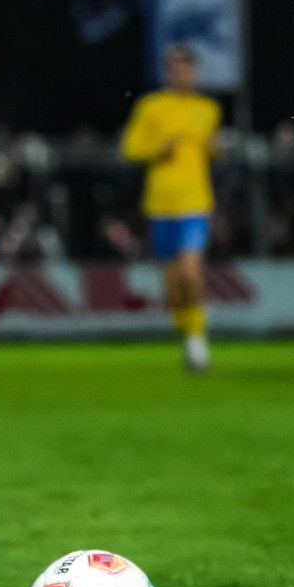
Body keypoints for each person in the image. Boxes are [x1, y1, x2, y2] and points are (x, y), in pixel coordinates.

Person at [119, 45, 222, 371]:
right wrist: (158, 148)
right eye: (176, 68)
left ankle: (197, 339)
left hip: (195, 202)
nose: (183, 74)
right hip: (160, 204)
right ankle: (185, 330)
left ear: (195, 72)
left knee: (191, 271)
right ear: (168, 72)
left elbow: (210, 150)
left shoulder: (208, 109)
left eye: (187, 68)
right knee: (173, 283)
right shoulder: (151, 106)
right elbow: (130, 148)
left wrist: (213, 148)